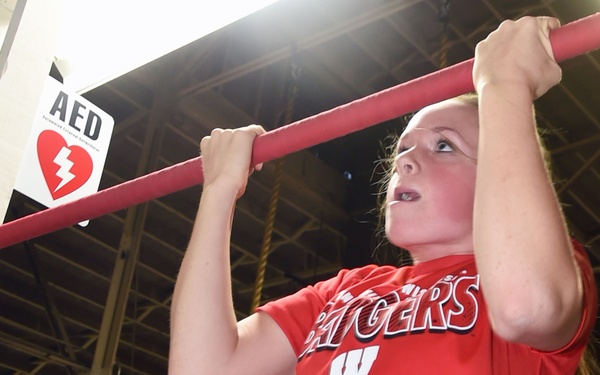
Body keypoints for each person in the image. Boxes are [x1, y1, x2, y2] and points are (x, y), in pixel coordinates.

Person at [169, 16, 597, 374]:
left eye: (443, 146)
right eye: (404, 148)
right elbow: (202, 369)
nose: (405, 161)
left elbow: (526, 307)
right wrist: (219, 189)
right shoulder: (341, 294)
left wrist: (504, 86)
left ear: (501, 170)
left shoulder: (552, 268)